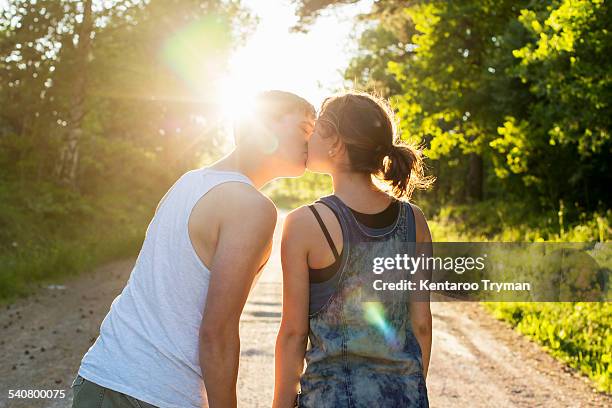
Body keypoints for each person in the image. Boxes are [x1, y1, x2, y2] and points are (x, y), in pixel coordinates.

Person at [71, 91, 315, 408]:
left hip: (99, 378)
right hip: (153, 395)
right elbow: (217, 333)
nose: (311, 141)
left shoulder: (186, 182)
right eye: (304, 129)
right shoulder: (251, 207)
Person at [273, 91, 435, 408]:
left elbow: (294, 333)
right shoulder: (414, 220)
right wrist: (407, 391)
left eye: (316, 128)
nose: (308, 137)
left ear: (336, 143)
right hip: (401, 397)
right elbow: (422, 325)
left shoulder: (305, 224)